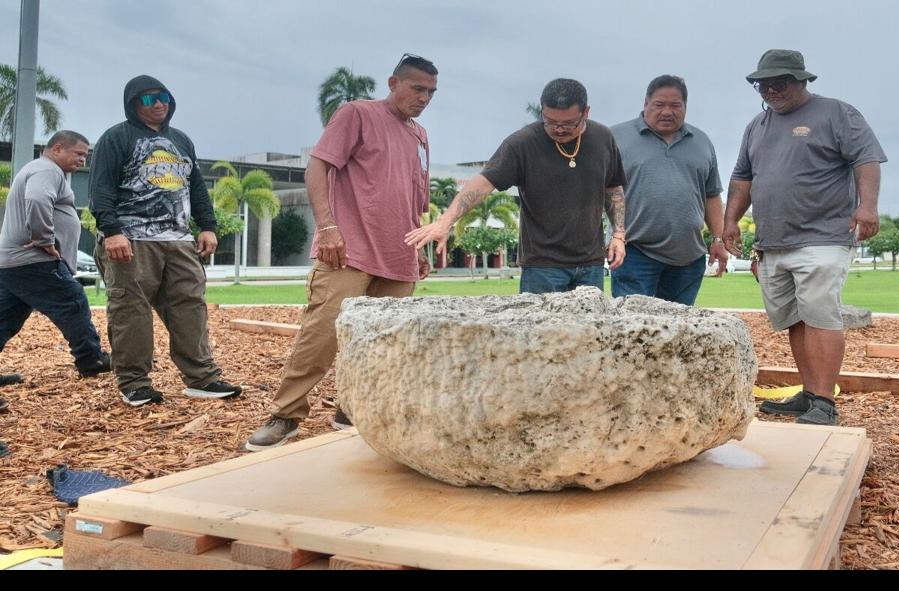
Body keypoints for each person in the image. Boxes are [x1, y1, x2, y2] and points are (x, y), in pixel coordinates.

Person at [245, 54, 439, 451]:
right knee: (320, 336)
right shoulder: (357, 114)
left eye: (431, 92)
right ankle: (285, 414)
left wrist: (421, 246)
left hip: (399, 256)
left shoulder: (420, 135)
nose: (424, 98)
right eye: (417, 88)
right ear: (393, 82)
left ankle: (350, 410)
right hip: (347, 250)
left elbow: (416, 196)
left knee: (382, 344)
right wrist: (329, 227)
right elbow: (316, 169)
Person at [722, 50, 885, 426]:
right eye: (763, 84)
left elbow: (866, 159)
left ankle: (825, 402)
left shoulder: (837, 114)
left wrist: (868, 206)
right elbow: (743, 179)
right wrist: (731, 221)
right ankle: (810, 393)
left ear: (802, 80)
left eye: (780, 82)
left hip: (823, 235)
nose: (771, 90)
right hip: (774, 240)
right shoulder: (756, 126)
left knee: (820, 315)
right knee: (795, 318)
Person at [89, 75, 240, 407]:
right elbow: (100, 188)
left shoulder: (181, 140)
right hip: (131, 239)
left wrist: (208, 226)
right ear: (133, 105)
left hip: (179, 239)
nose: (157, 103)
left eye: (163, 97)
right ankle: (134, 382)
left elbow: (196, 187)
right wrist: (112, 231)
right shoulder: (116, 138)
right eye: (147, 99)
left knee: (191, 306)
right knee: (131, 310)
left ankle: (202, 378)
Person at [406, 78, 625, 293]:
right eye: (550, 121)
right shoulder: (522, 143)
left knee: (589, 328)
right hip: (542, 266)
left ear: (585, 112)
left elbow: (613, 189)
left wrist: (618, 235)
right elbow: (482, 184)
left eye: (569, 124)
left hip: (591, 264)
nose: (558, 129)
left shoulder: (602, 138)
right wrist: (445, 222)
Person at [0, 130, 111, 392]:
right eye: (79, 153)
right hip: (33, 260)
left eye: (86, 155)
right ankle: (90, 359)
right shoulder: (48, 170)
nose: (83, 160)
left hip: (13, 263)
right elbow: (38, 199)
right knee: (73, 302)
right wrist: (44, 239)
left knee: (4, 319)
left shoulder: (38, 169)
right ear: (58, 148)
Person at [608, 74, 729, 304]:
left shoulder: (701, 141)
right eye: (659, 105)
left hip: (688, 258)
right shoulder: (616, 138)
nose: (667, 112)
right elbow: (601, 190)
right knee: (633, 326)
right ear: (645, 104)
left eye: (675, 105)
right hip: (634, 252)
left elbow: (712, 195)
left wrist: (718, 240)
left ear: (685, 106)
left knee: (678, 331)